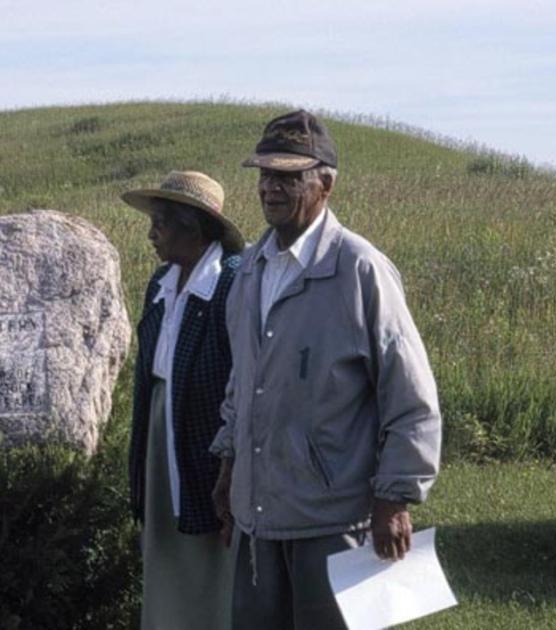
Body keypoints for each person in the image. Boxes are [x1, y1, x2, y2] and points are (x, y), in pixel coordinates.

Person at [210, 111, 442, 630]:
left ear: (326, 184)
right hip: (257, 518)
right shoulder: (249, 269)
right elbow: (241, 380)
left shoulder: (359, 269)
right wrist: (229, 469)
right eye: (264, 175)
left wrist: (395, 497)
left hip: (332, 519)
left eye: (288, 177)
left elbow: (411, 397)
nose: (269, 188)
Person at [122, 170, 244, 630]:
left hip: (208, 433)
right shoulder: (161, 281)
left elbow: (241, 370)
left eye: (161, 222)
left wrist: (229, 457)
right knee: (164, 536)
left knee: (212, 544)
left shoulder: (230, 282)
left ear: (192, 227)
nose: (152, 233)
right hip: (160, 423)